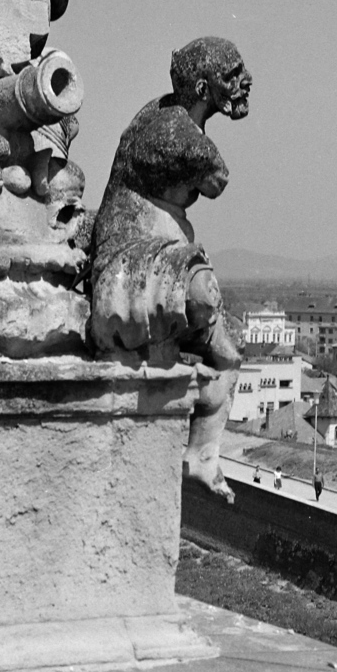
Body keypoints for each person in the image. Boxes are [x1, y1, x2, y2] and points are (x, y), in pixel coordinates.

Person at [88, 37, 252, 504]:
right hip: (127, 263)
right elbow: (217, 179)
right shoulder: (171, 131)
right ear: (203, 87)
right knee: (202, 290)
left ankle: (202, 456)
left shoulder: (170, 115)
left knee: (228, 358)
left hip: (155, 256)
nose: (245, 82)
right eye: (232, 75)